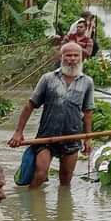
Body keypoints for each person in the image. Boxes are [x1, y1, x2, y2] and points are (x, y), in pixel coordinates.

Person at [7, 42, 95, 188]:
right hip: (46, 136)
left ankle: (63, 209)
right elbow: (30, 105)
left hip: (72, 136)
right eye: (68, 55)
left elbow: (88, 111)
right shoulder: (48, 79)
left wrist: (88, 138)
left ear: (81, 58)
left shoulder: (87, 82)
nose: (72, 59)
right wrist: (18, 132)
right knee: (40, 174)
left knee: (66, 179)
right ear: (62, 57)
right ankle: (31, 208)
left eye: (76, 55)